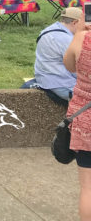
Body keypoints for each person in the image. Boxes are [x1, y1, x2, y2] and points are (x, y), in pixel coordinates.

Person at [21, 6, 81, 104]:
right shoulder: (66, 39)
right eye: (83, 24)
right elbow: (77, 69)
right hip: (62, 85)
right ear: (75, 22)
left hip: (45, 79)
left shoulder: (49, 30)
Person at [63, 20, 91, 221]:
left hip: (86, 120)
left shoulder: (83, 38)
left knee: (88, 188)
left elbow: (69, 65)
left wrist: (78, 33)